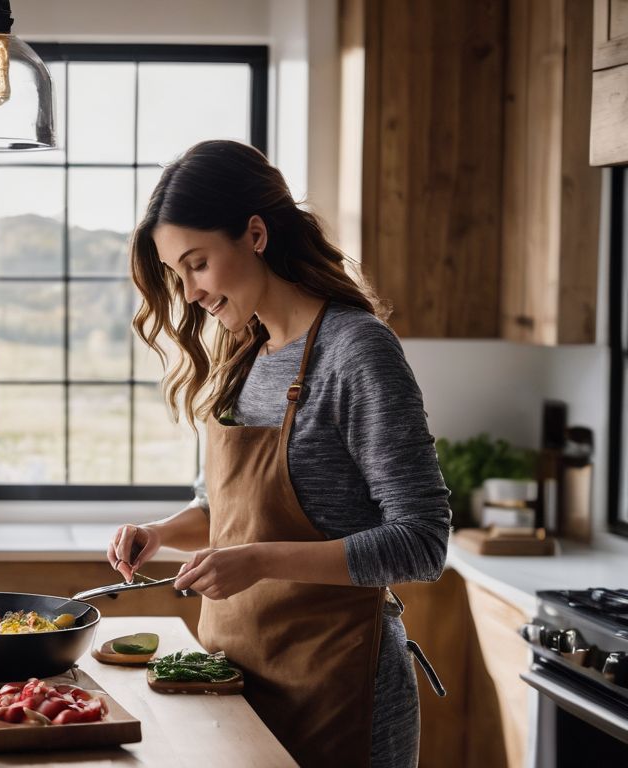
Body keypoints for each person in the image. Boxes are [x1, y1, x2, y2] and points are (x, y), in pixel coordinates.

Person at [108, 140, 450, 768]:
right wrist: (159, 534)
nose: (188, 293)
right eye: (175, 274)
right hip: (234, 679)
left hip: (340, 691)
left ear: (256, 234)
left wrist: (260, 561)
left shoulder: (356, 351)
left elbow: (423, 542)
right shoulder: (245, 357)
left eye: (198, 264)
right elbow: (224, 514)